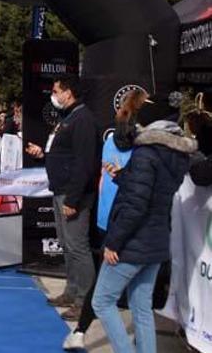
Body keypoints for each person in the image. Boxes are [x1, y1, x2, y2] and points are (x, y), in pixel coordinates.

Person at [90, 95, 195, 353]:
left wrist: (114, 242)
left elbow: (136, 206)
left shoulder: (146, 154)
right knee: (141, 308)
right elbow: (150, 191)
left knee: (102, 301)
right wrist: (124, 176)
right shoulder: (174, 153)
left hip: (135, 242)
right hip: (156, 241)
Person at [63, 88, 149, 350]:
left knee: (119, 287)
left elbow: (104, 176)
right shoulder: (144, 145)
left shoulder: (112, 140)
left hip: (108, 215)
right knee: (125, 293)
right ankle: (83, 331)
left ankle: (81, 331)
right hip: (126, 217)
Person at [25, 74, 100, 320]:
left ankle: (85, 303)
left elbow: (84, 163)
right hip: (61, 190)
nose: (53, 95)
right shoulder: (69, 118)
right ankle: (72, 291)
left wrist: (73, 200)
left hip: (72, 194)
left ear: (68, 93)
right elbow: (65, 155)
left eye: (56, 91)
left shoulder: (83, 119)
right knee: (67, 245)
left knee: (78, 247)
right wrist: (43, 155)